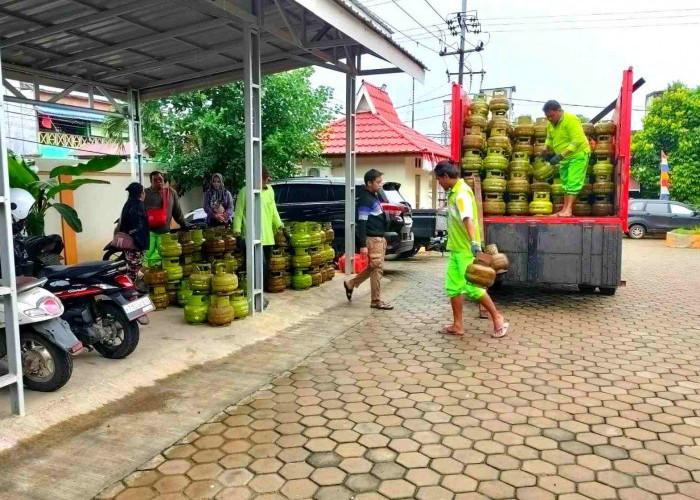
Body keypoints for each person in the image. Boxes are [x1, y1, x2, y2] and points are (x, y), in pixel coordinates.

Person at [434, 160, 508, 338]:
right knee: (453, 288)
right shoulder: (454, 193)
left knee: (474, 288)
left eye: (439, 179)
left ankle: (498, 318)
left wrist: (474, 244)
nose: (439, 183)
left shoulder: (462, 194)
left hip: (466, 250)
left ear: (446, 176)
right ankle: (457, 325)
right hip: (456, 251)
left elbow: (467, 219)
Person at [343, 169, 393, 310]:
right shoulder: (365, 199)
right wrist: (363, 244)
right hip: (373, 239)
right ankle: (375, 301)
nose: (380, 184)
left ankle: (351, 284)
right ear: (369, 183)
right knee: (377, 269)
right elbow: (362, 223)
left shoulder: (373, 196)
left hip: (378, 238)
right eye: (378, 182)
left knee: (373, 267)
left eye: (380, 182)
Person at [233, 167, 284, 291]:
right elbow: (238, 213)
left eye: (267, 178)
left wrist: (281, 226)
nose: (267, 180)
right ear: (255, 178)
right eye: (264, 178)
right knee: (256, 267)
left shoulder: (270, 191)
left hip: (268, 237)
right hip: (252, 237)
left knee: (265, 268)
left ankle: (260, 292)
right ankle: (253, 292)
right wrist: (237, 232)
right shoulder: (244, 192)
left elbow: (273, 211)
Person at [540, 100, 591, 217]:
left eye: (551, 116)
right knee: (566, 183)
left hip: (578, 155)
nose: (550, 119)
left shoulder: (571, 119)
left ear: (559, 110)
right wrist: (545, 148)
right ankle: (564, 210)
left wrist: (560, 155)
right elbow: (549, 137)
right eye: (547, 117)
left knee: (573, 182)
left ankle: (568, 210)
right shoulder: (551, 124)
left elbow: (577, 141)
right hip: (564, 158)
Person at [144, 171, 188, 261]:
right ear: (150, 181)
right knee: (147, 259)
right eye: (155, 180)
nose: (158, 181)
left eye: (160, 179)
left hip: (164, 233)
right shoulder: (145, 193)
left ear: (163, 180)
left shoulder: (171, 193)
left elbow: (177, 212)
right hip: (149, 233)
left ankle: (160, 274)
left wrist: (184, 225)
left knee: (163, 257)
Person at [117, 182, 149, 282]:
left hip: (128, 243)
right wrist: (140, 243)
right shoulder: (138, 205)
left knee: (131, 268)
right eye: (143, 191)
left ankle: (131, 291)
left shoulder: (128, 203)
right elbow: (138, 226)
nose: (144, 194)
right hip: (135, 244)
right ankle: (132, 293)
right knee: (134, 269)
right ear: (141, 193)